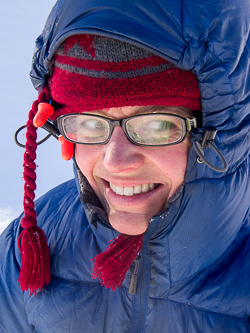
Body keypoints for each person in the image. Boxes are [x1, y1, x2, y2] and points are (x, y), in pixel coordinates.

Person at [0, 0, 250, 332]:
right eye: (89, 124)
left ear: (218, 134)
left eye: (157, 125)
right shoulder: (33, 243)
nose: (116, 161)